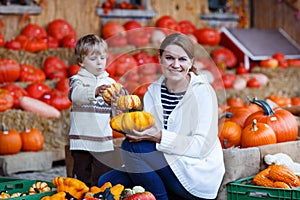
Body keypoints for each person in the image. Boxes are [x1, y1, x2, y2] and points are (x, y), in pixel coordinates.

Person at [98, 33, 225, 200]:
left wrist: (158, 136)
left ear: (192, 62)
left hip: (195, 172)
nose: (176, 65)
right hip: (168, 162)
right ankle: (166, 193)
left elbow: (201, 146)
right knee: (107, 182)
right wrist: (120, 111)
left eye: (182, 59)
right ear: (160, 59)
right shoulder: (153, 91)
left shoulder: (203, 93)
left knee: (132, 148)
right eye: (169, 58)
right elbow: (145, 133)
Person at [68, 34, 121, 187]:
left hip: (103, 140)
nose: (99, 63)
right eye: (93, 59)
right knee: (82, 180)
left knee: (102, 180)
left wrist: (119, 102)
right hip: (81, 141)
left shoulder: (110, 83)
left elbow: (116, 110)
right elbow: (75, 95)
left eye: (103, 58)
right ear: (81, 62)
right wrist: (95, 91)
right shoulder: (77, 80)